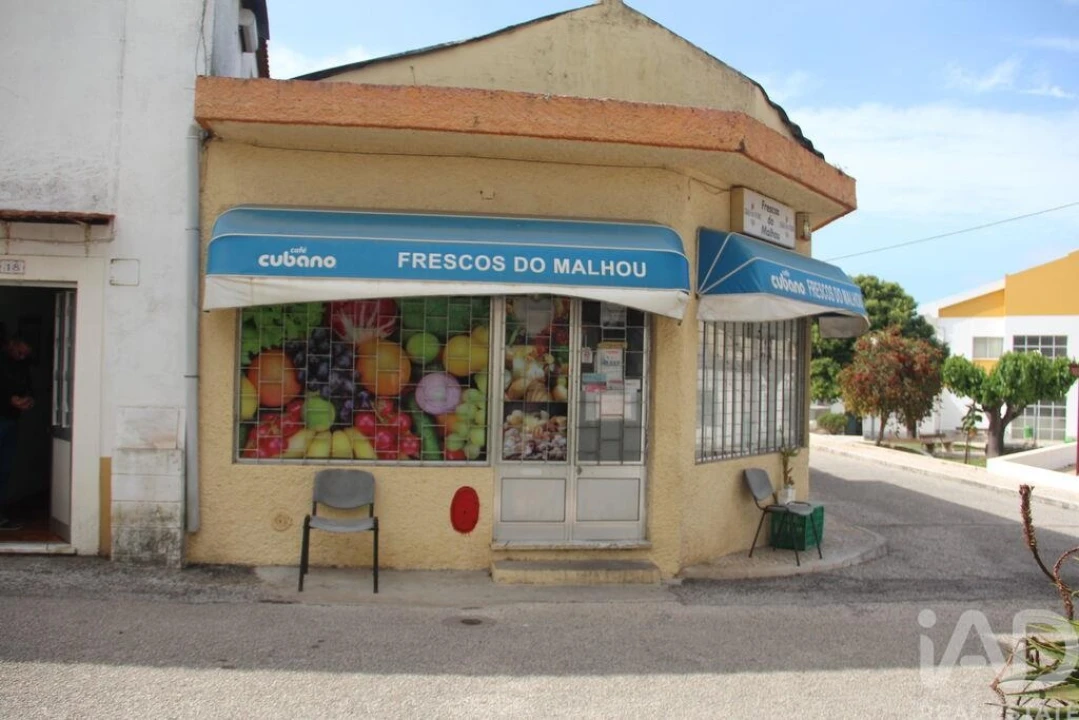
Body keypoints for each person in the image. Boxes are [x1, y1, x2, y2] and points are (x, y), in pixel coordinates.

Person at [0, 336, 33, 530]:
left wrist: (29, 400)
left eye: (25, 355)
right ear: (11, 344)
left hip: (11, 420)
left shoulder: (21, 366)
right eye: (19, 352)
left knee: (4, 469)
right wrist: (9, 400)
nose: (21, 357)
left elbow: (28, 387)